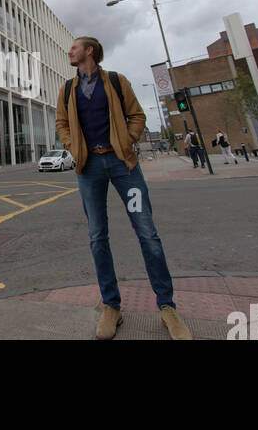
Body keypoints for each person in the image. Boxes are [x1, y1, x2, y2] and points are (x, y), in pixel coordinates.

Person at [55, 36, 191, 341]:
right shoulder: (66, 89)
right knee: (97, 236)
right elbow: (61, 123)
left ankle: (167, 307)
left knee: (146, 232)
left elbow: (137, 115)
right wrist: (70, 145)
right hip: (88, 169)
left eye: (74, 47)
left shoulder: (116, 81)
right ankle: (111, 306)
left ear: (89, 51)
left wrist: (126, 141)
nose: (69, 51)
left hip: (122, 166)